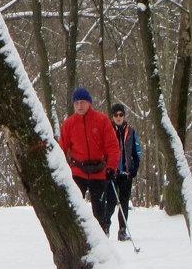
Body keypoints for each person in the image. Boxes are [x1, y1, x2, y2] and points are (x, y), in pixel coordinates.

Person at [59, 87, 119, 234]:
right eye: (77, 103)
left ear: (89, 103)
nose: (79, 106)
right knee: (74, 208)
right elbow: (61, 149)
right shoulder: (69, 124)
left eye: (82, 102)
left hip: (98, 172)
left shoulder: (102, 120)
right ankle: (76, 236)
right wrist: (62, 170)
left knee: (99, 211)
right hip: (78, 171)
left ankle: (102, 237)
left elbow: (112, 146)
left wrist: (111, 167)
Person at [105, 102, 141, 241]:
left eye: (121, 114)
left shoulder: (131, 131)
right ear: (112, 116)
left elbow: (136, 151)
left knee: (124, 202)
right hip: (111, 173)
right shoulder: (107, 130)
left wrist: (135, 168)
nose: (119, 117)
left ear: (124, 116)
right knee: (111, 201)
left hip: (126, 173)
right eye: (116, 115)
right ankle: (106, 226)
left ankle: (122, 230)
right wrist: (107, 169)